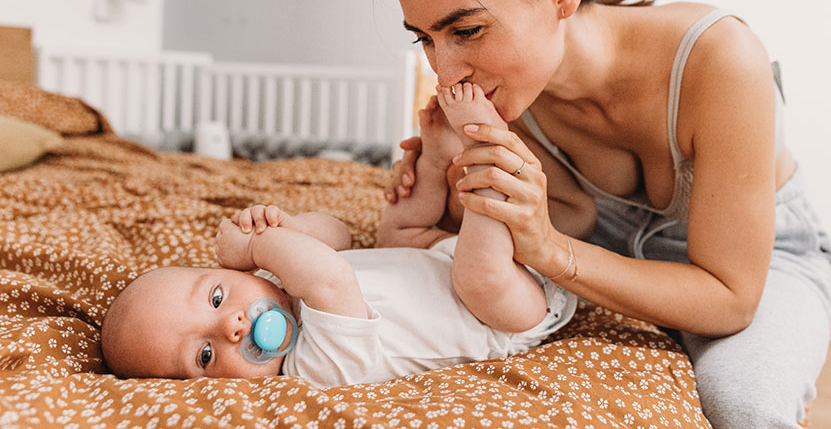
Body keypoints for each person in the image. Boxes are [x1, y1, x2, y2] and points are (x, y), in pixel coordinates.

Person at [379, 0, 831, 429]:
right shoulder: (512, 94)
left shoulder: (720, 61)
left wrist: (548, 249)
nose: (446, 73)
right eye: (425, 38)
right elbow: (561, 219)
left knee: (744, 406)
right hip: (608, 247)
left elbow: (729, 297)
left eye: (466, 30)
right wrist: (457, 192)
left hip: (758, 264)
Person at [99, 86, 577, 386]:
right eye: (206, 355)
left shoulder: (272, 279)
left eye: (218, 296)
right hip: (503, 315)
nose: (232, 327)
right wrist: (258, 244)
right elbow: (331, 277)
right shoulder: (313, 368)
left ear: (225, 271)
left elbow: (338, 237)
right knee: (480, 277)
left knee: (396, 230)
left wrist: (287, 226)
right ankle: (486, 152)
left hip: (440, 261)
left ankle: (435, 160)